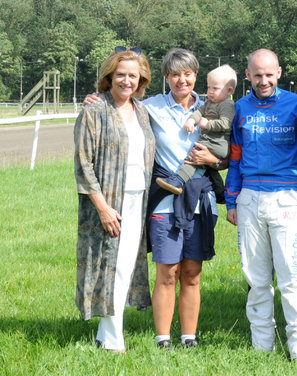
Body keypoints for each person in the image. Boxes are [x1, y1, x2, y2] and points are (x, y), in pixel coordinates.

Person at [84, 48, 225, 350]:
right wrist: (95, 98)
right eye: (174, 74)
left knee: (191, 272)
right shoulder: (151, 108)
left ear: (196, 75)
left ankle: (189, 337)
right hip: (163, 202)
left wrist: (213, 159)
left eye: (187, 74)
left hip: (200, 201)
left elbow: (230, 155)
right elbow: (120, 104)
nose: (181, 80)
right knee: (167, 271)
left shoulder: (213, 108)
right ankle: (162, 339)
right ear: (165, 78)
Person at [225, 49, 297, 360]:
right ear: (248, 76)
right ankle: (262, 348)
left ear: (279, 73)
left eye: (269, 74)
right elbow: (234, 158)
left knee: (290, 279)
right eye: (257, 75)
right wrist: (231, 200)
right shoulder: (240, 109)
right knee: (256, 280)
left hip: (286, 198)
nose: (264, 80)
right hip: (249, 200)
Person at [74, 47, 155, 352]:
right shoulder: (94, 111)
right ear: (109, 77)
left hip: (138, 199)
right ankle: (112, 340)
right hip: (107, 202)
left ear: (141, 79)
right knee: (110, 266)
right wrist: (103, 208)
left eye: (132, 75)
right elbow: (83, 163)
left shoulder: (142, 111)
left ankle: (105, 333)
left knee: (125, 267)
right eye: (120, 74)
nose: (126, 80)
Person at [156, 64, 237, 195]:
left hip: (218, 144)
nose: (210, 91)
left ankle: (178, 180)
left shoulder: (227, 105)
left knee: (195, 156)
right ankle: (220, 191)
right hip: (211, 142)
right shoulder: (211, 102)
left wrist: (208, 124)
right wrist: (192, 120)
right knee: (207, 167)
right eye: (209, 87)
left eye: (215, 88)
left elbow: (226, 124)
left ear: (229, 91)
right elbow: (199, 112)